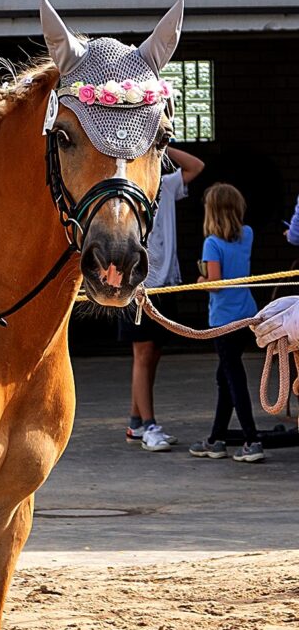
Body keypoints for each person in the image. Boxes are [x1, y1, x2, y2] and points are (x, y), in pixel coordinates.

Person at [120, 145, 205, 451]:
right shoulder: (127, 187)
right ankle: (149, 425)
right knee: (142, 354)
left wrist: (163, 145)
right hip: (139, 285)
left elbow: (196, 166)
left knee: (152, 354)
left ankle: (136, 421)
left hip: (165, 283)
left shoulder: (167, 184)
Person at [189, 183, 264, 462]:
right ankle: (216, 439)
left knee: (233, 379)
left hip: (223, 319)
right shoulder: (248, 234)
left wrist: (199, 281)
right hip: (246, 313)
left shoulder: (211, 243)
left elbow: (216, 284)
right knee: (225, 378)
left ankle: (251, 439)